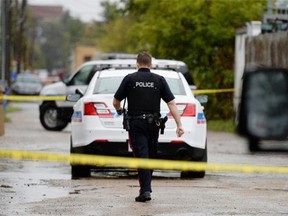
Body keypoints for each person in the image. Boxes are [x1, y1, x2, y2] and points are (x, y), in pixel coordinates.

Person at [113, 51, 184, 202]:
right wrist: (179, 124)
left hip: (136, 124)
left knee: (142, 155)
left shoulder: (130, 79)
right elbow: (171, 103)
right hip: (154, 124)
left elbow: (116, 101)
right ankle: (146, 188)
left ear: (137, 64)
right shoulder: (159, 80)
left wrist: (120, 111)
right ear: (151, 64)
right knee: (151, 155)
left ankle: (145, 190)